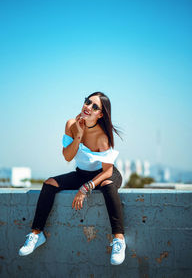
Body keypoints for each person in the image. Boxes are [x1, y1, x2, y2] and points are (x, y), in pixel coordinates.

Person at [19, 91, 126, 265]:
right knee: (49, 183)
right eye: (87, 102)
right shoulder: (71, 124)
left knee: (107, 184)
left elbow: (107, 172)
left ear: (100, 114)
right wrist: (78, 134)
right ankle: (36, 234)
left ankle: (119, 240)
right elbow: (68, 157)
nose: (88, 107)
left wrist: (85, 188)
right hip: (81, 173)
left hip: (104, 175)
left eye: (95, 106)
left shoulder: (102, 137)